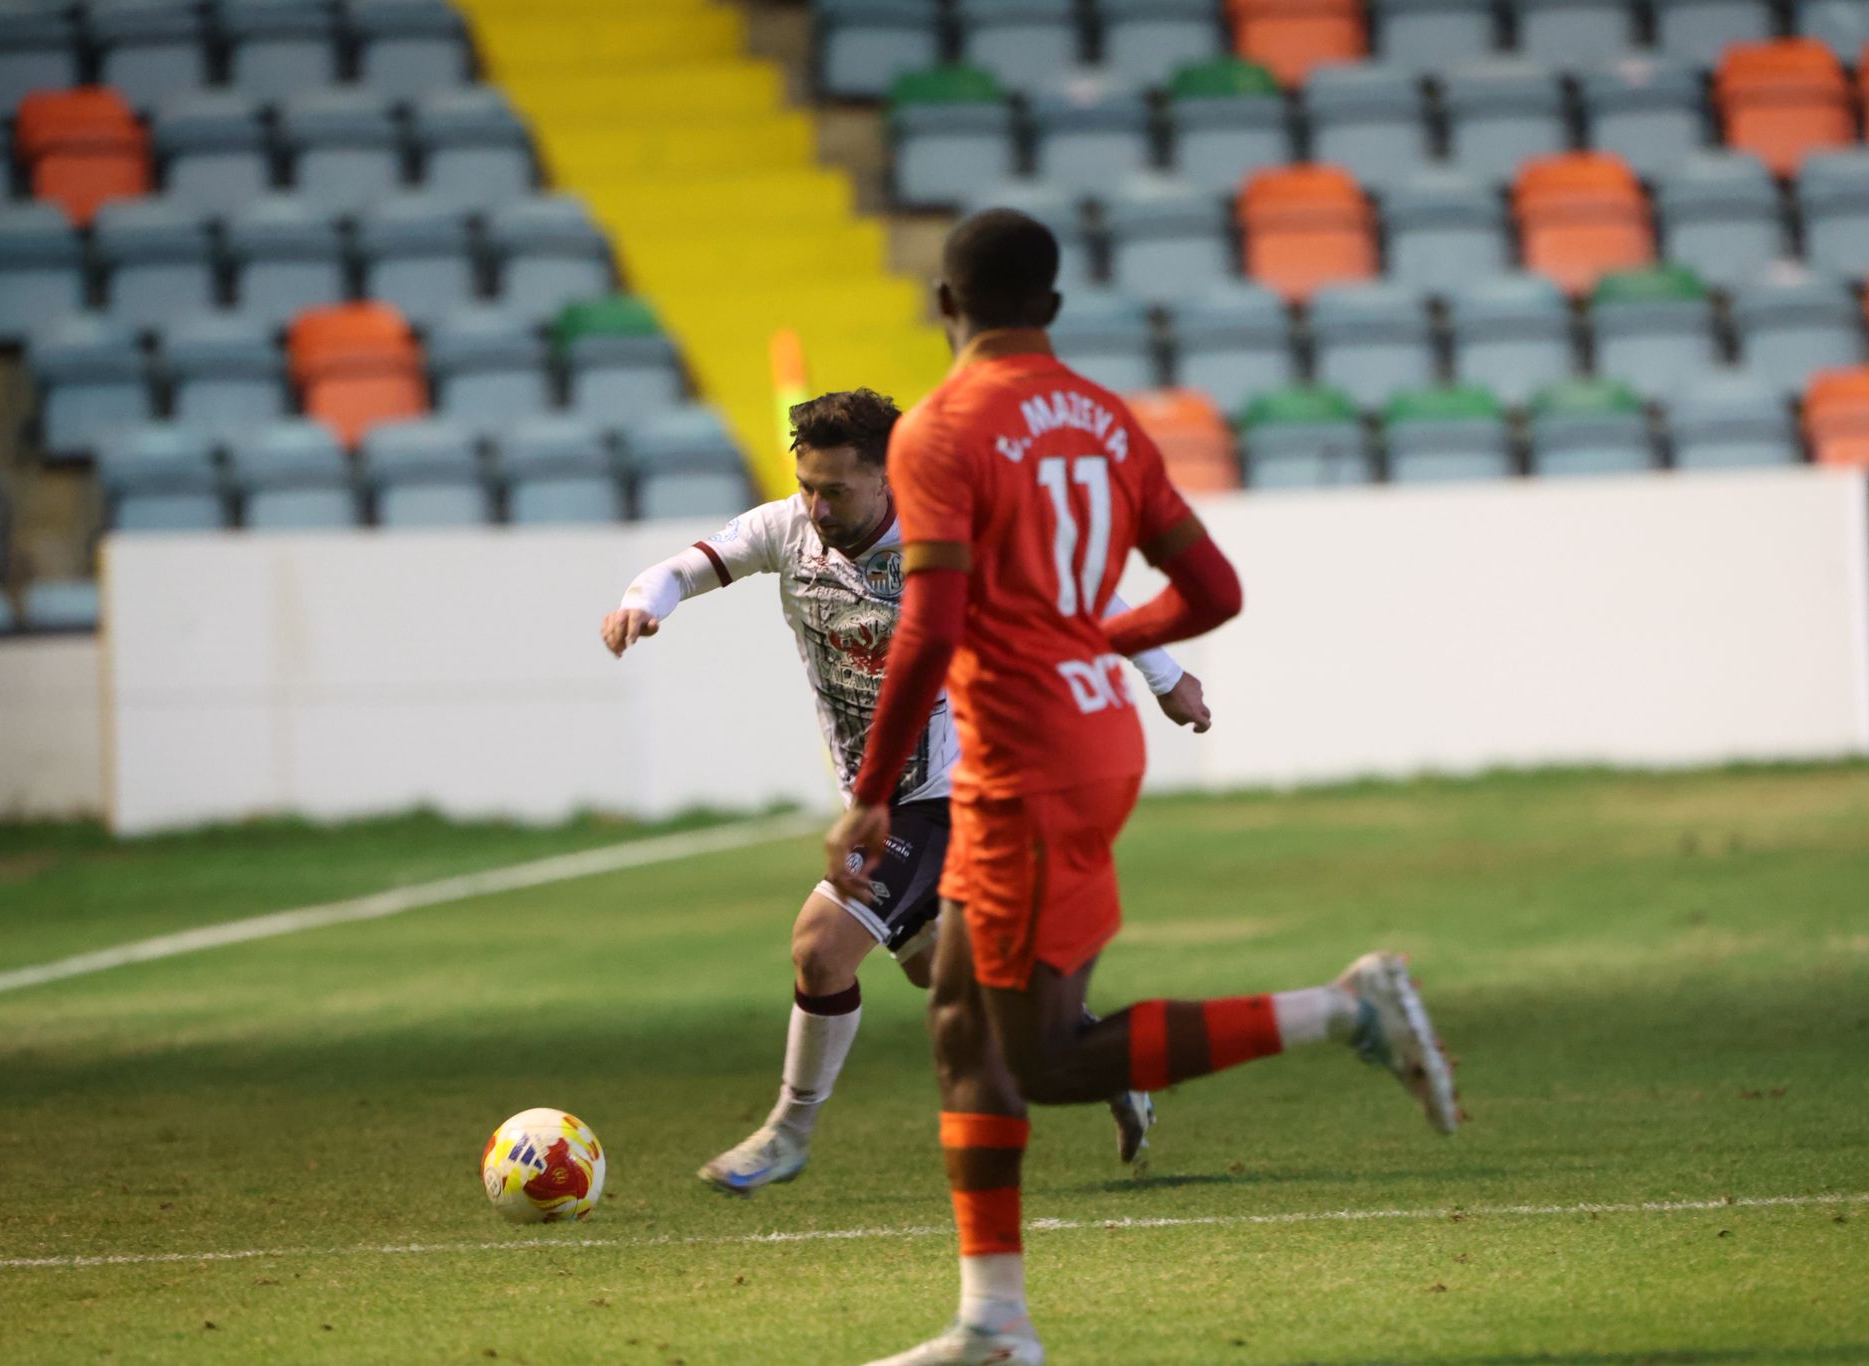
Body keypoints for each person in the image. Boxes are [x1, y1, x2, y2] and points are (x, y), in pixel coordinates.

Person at [825, 211, 1460, 1366]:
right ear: (1053, 309)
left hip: (1024, 762)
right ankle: (992, 1324)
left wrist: (871, 790)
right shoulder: (1109, 422)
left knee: (1041, 1055)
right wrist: (1102, 633)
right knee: (962, 1024)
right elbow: (1210, 589)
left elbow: (928, 622)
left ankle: (1343, 1008)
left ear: (943, 305)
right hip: (1088, 739)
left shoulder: (936, 431)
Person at [601, 387, 1214, 1195]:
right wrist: (643, 603)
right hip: (875, 788)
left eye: (836, 489)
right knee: (951, 978)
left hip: (957, 787)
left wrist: (1166, 677)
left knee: (820, 948)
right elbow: (685, 567)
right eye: (808, 484)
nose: (816, 504)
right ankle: (1106, 1061)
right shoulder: (784, 527)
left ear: (889, 478)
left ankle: (787, 1132)